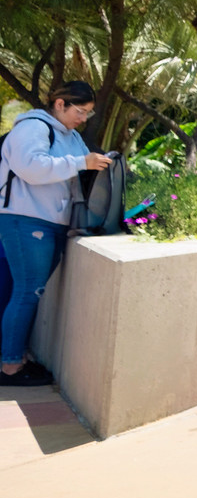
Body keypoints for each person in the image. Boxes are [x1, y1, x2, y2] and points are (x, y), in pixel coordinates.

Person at [0, 82, 111, 387]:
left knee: (19, 290)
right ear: (60, 104)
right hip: (25, 219)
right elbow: (31, 167)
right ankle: (10, 367)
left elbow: (78, 171)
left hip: (50, 221)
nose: (84, 119)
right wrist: (81, 162)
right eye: (80, 111)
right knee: (28, 290)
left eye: (88, 113)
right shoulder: (34, 127)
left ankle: (12, 356)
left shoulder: (72, 136)